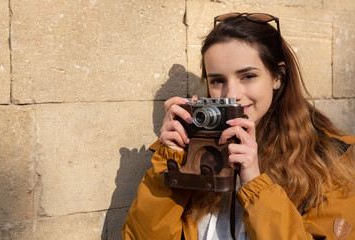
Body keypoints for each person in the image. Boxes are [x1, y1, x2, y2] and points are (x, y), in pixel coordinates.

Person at [122, 12, 355, 239]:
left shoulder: (332, 158)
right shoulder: (190, 148)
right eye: (218, 81)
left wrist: (255, 183)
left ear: (278, 77)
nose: (232, 94)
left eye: (248, 76)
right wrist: (170, 167)